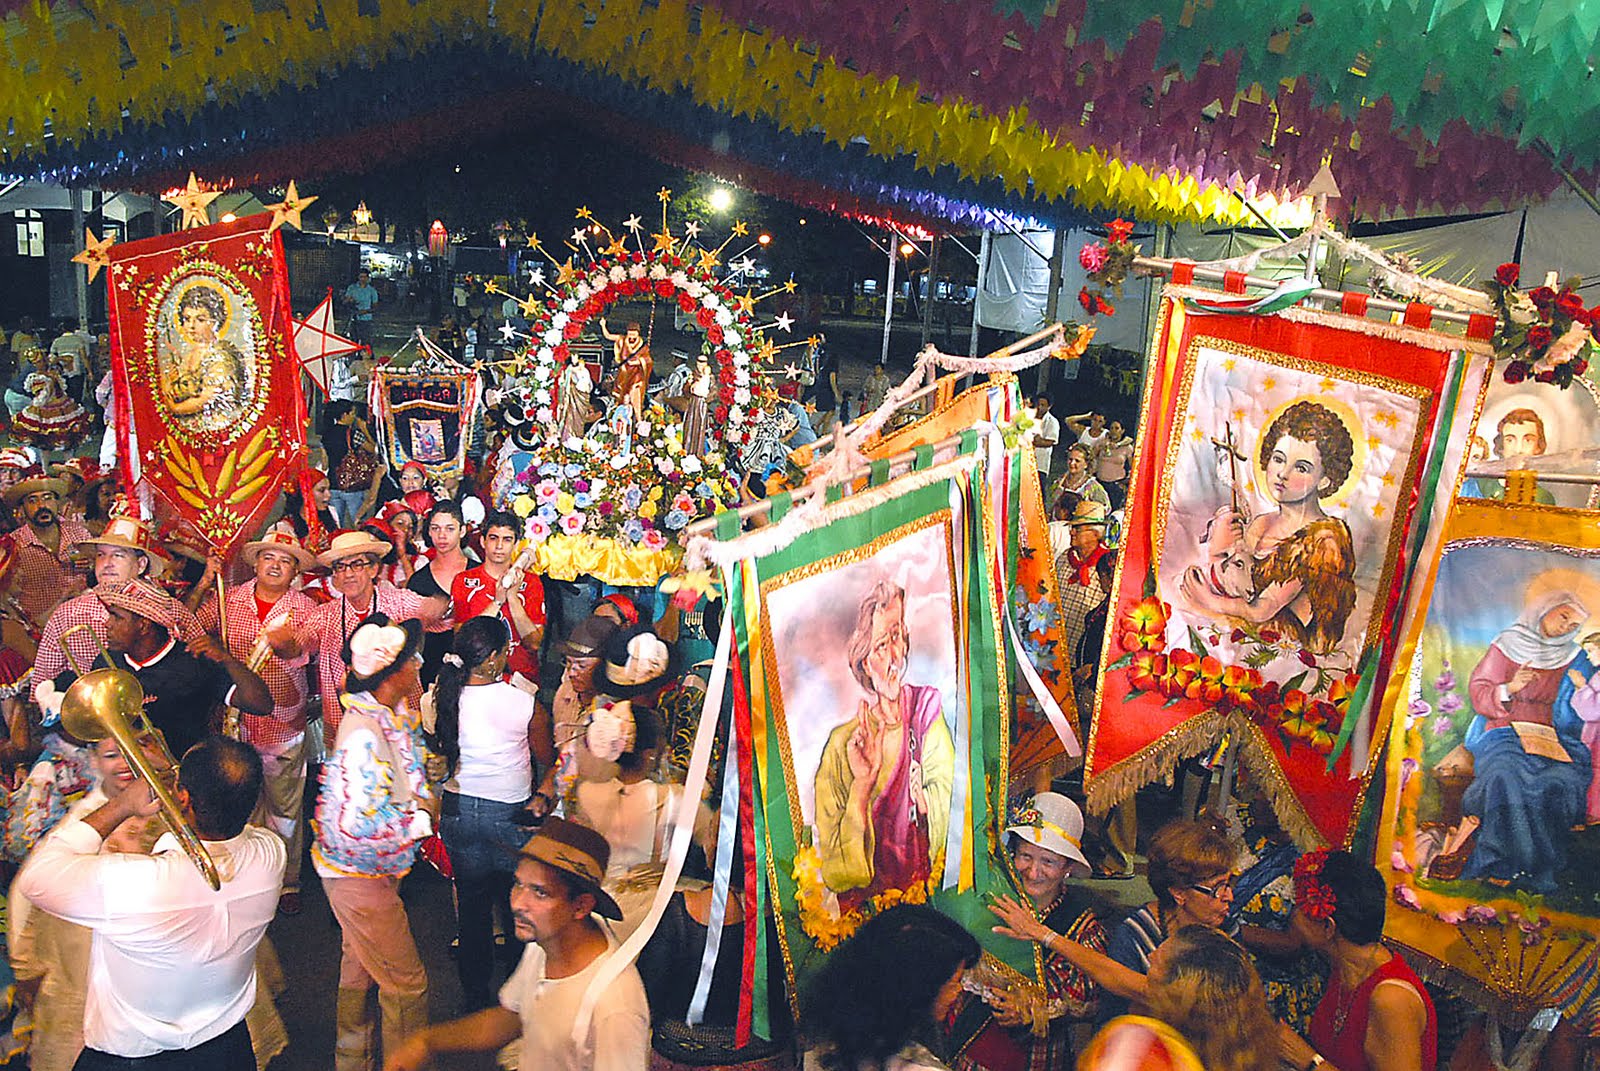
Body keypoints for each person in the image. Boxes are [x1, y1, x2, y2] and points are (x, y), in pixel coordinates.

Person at [14, 736, 285, 1068]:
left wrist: (123, 805)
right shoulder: (271, 854)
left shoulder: (139, 884)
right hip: (227, 1047)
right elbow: (223, 809)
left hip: (136, 1058)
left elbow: (37, 877)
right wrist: (173, 773)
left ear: (183, 797)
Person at [383, 816, 650, 1071]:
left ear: (580, 906)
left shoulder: (615, 1006)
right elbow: (514, 1015)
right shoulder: (543, 939)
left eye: (540, 892)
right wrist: (427, 1041)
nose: (518, 903)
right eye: (518, 884)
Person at [314, 615, 433, 1071]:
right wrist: (419, 821)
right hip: (360, 878)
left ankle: (352, 1059)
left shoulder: (384, 714)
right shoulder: (362, 735)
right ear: (392, 673)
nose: (419, 664)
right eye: (412, 659)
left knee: (360, 966)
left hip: (372, 874)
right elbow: (352, 829)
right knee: (407, 983)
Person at [1426, 588, 1590, 891]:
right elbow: (1479, 689)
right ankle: (1499, 860)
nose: (1565, 627)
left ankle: (1537, 866)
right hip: (1502, 728)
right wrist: (1510, 688)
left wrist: (1578, 695)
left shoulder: (1574, 656)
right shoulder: (1508, 644)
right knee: (1506, 774)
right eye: (1563, 617)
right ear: (1546, 608)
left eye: (1573, 625)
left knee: (1562, 778)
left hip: (1549, 733)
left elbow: (1586, 697)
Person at [997, 819, 1238, 1022]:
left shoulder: (1224, 929)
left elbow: (1158, 993)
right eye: (1217, 888)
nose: (1229, 896)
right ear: (1179, 893)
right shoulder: (1136, 933)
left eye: (1229, 884)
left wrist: (1043, 935)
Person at [195, 525, 319, 915]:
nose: (275, 566)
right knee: (237, 802)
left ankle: (286, 880)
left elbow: (307, 650)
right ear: (256, 563)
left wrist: (287, 645)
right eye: (269, 557)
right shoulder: (228, 599)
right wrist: (205, 581)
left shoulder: (306, 609)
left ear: (295, 571)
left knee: (284, 808)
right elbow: (191, 625)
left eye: (285, 561)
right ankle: (243, 877)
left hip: (284, 723)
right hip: (234, 722)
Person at [814, 580, 954, 913]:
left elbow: (953, 802)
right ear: (864, 662)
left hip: (926, 905)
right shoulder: (842, 744)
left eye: (896, 637)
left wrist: (922, 802)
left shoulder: (925, 712)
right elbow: (837, 871)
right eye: (880, 645)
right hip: (865, 918)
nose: (893, 655)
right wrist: (862, 786)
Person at [1178, 400, 1357, 656]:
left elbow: (1263, 608)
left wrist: (1208, 601)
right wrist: (1218, 550)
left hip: (1284, 648)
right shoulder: (1263, 523)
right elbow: (1237, 585)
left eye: (1301, 467)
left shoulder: (1324, 540)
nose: (1283, 473)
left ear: (1325, 479)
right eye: (1278, 459)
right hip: (1244, 635)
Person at [428, 617, 538, 1010]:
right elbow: (543, 752)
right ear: (493, 658)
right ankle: (517, 993)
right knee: (516, 903)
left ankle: (474, 997)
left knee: (472, 909)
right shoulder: (521, 700)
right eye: (505, 650)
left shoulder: (441, 697)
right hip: (509, 811)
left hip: (458, 810)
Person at [636, 803, 792, 1070]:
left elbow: (646, 997)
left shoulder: (677, 912)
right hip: (766, 1056)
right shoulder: (786, 915)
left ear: (714, 849)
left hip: (684, 1058)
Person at [57, 579, 273, 760]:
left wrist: (227, 659)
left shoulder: (194, 662)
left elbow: (261, 704)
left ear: (143, 625)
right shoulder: (106, 662)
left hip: (183, 772)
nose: (107, 624)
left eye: (117, 617)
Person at [964, 793, 1103, 1071]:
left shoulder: (1082, 926)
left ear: (1068, 868)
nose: (1033, 871)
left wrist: (1034, 1009)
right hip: (973, 1051)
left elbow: (1090, 999)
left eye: (1048, 862)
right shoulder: (989, 900)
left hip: (1039, 1058)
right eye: (1025, 856)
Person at [271, 529, 449, 742]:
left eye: (356, 564)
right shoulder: (324, 616)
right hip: (347, 730)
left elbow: (439, 613)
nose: (348, 574)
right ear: (334, 577)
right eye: (340, 567)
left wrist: (439, 607)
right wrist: (285, 644)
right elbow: (302, 643)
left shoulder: (399, 601)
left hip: (402, 724)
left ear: (374, 569)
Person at [1276, 850, 1437, 1071]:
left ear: (1328, 927)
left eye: (1299, 909)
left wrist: (1309, 1062)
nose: (1292, 916)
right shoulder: (1344, 966)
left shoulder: (1391, 1000)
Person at [30, 515, 204, 703]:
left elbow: (202, 668)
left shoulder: (170, 610)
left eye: (118, 555)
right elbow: (43, 686)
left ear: (141, 565)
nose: (107, 563)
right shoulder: (67, 615)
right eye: (100, 555)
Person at [800, 903, 979, 1071]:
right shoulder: (914, 1065)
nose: (958, 991)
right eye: (953, 982)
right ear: (917, 989)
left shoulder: (823, 1037)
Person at [1079, 926, 1278, 1071]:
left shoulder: (1138, 1046)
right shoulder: (1248, 1054)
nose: (1150, 956)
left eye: (1158, 961)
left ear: (1177, 993)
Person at [530, 615, 622, 814]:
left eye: (581, 665)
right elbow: (562, 760)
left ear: (605, 665)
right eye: (568, 663)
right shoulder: (565, 693)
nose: (572, 672)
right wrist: (543, 797)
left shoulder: (617, 712)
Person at [450, 509, 545, 691]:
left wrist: (513, 598)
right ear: (483, 541)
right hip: (476, 681)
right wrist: (497, 602)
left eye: (507, 539)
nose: (499, 546)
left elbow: (533, 643)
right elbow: (463, 641)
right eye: (493, 538)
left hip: (522, 679)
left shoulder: (532, 583)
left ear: (516, 544)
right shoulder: (464, 581)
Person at [0, 470, 90, 630]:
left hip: (84, 621)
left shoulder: (79, 533)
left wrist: (91, 565)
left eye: (47, 498)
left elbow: (97, 569)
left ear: (57, 503)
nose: (42, 506)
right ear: (22, 509)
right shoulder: (14, 546)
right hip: (40, 630)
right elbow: (6, 599)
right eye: (32, 501)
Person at [165, 284, 248, 426]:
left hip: (214, 424)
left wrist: (175, 408)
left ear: (215, 322)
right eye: (187, 319)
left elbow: (208, 398)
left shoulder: (221, 355)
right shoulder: (186, 354)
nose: (191, 326)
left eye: (200, 320)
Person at [407, 500, 471, 685]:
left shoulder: (478, 573)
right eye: (436, 528)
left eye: (449, 529)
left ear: (462, 531)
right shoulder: (418, 581)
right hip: (432, 670)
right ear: (428, 531)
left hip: (473, 669)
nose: (442, 536)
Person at [325, 401, 384, 528]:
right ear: (344, 415)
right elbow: (373, 449)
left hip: (332, 484)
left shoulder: (326, 433)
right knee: (359, 523)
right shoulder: (352, 434)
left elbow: (324, 461)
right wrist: (364, 429)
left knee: (335, 524)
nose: (354, 417)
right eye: (352, 413)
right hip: (352, 486)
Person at [1482, 408, 1556, 505]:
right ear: (1501, 447)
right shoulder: (1481, 486)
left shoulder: (1543, 498)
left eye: (1528, 440)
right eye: (1510, 440)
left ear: (1538, 447)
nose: (1518, 449)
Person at [601, 318, 653, 414]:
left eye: (634, 334)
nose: (632, 337)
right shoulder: (622, 340)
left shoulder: (642, 346)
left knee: (635, 392)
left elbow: (648, 360)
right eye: (630, 334)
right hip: (623, 373)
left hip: (636, 374)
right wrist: (603, 325)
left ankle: (636, 414)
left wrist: (638, 362)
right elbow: (608, 336)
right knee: (621, 395)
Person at [1095, 419, 1134, 510]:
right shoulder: (1102, 442)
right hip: (1100, 482)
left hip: (1115, 484)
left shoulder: (1127, 447)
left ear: (1122, 430)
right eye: (1111, 428)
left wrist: (1126, 482)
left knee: (1113, 510)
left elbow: (1133, 467)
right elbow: (1092, 457)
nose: (1113, 431)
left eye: (1117, 428)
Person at [344, 270, 380, 347]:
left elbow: (375, 306)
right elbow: (345, 302)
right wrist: (349, 301)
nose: (362, 279)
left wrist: (366, 311)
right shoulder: (352, 288)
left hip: (366, 319)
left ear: (368, 278)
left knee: (366, 341)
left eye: (364, 277)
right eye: (361, 277)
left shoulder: (372, 290)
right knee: (353, 340)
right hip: (353, 318)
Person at [1031, 395, 1060, 478]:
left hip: (1040, 465)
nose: (1039, 407)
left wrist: (1034, 441)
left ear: (1049, 407)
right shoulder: (1029, 417)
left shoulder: (1052, 422)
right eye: (1038, 404)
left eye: (1043, 405)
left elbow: (1050, 442)